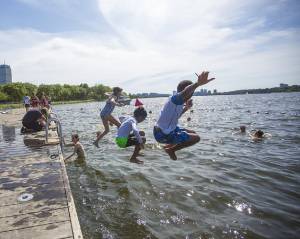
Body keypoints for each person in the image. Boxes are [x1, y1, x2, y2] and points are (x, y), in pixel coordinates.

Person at [153, 71, 215, 160]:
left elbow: (175, 116)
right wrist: (197, 84)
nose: (191, 95)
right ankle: (171, 150)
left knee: (193, 133)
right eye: (192, 92)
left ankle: (168, 146)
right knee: (196, 138)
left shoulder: (177, 102)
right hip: (162, 134)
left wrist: (186, 108)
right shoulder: (175, 99)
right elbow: (185, 92)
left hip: (164, 129)